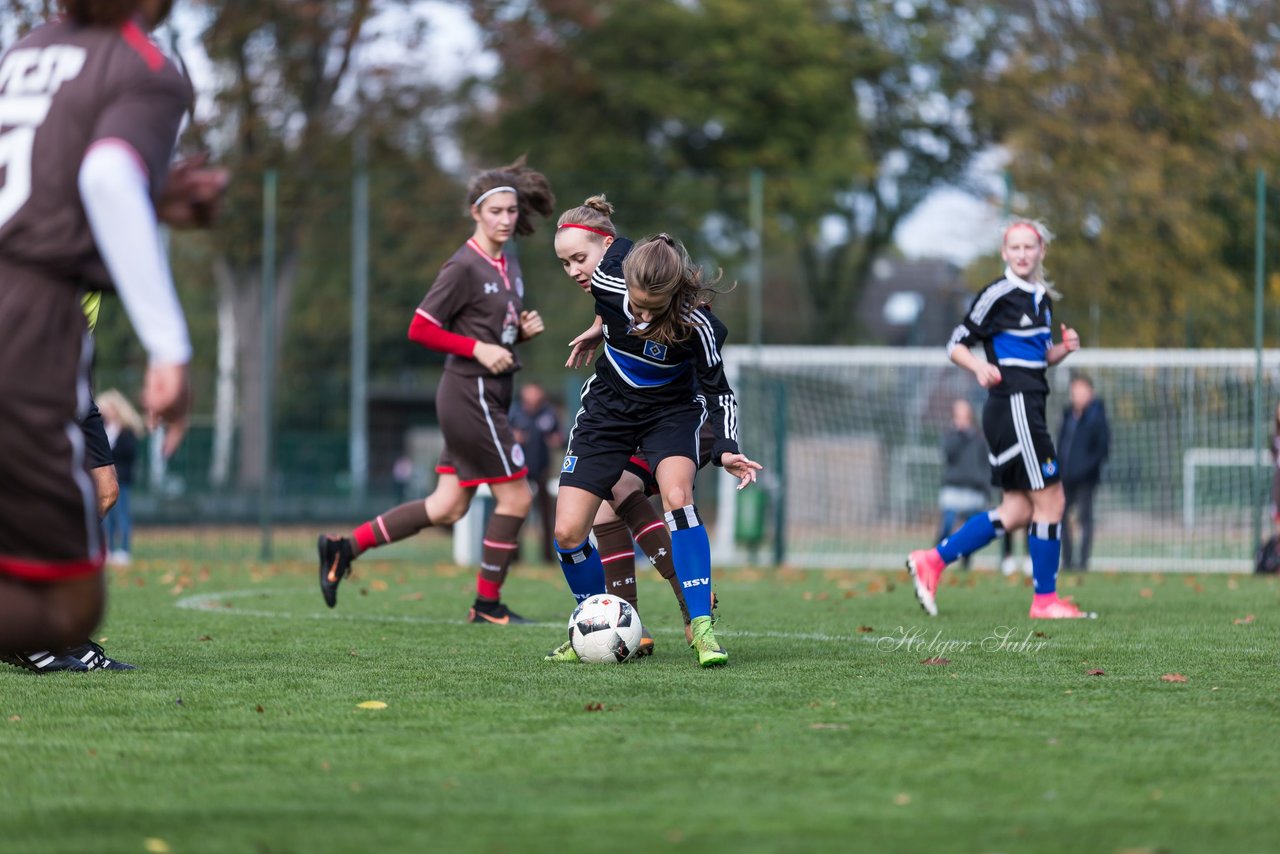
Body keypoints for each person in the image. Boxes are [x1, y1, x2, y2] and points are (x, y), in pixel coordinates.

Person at [0, 0, 207, 660]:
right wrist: (169, 347)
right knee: (68, 605)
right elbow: (107, 175)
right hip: (27, 319)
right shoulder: (144, 66)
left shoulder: (24, 53)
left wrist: (153, 198)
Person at [318, 158, 555, 625]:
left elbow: (489, 333)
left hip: (485, 395)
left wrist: (517, 336)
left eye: (512, 211)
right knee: (517, 499)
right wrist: (480, 350)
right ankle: (487, 606)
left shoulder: (507, 263)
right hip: (472, 396)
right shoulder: (463, 265)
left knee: (446, 506)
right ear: (475, 212)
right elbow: (421, 327)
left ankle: (343, 548)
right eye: (497, 212)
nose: (507, 219)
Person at [549, 229, 762, 667]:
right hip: (607, 409)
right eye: (636, 304)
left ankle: (701, 627)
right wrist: (598, 327)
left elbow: (718, 391)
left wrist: (725, 448)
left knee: (678, 498)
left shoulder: (699, 326)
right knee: (568, 532)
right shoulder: (609, 284)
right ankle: (588, 625)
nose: (641, 315)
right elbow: (608, 239)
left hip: (670, 412)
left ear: (673, 295)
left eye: (652, 307)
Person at [907, 219, 1095, 619]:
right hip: (1013, 407)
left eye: (1030, 247)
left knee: (1017, 512)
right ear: (1005, 253)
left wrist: (1064, 349)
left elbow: (1038, 358)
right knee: (1053, 499)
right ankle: (1045, 601)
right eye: (1015, 248)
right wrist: (977, 367)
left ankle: (933, 561)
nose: (1023, 254)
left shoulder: (1041, 298)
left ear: (1042, 250)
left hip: (1029, 405)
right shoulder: (997, 294)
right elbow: (955, 343)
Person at [1058, 373, 1109, 570]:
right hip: (1065, 477)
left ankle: (1083, 561)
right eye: (1074, 391)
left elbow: (1102, 449)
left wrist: (1084, 469)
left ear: (1090, 392)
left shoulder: (1097, 416)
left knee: (1084, 518)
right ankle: (1067, 560)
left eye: (1081, 390)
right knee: (1060, 516)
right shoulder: (1067, 415)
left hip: (1086, 478)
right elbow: (1061, 445)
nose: (1077, 395)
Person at [508, 382, 562, 564]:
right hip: (519, 471)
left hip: (542, 471)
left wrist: (556, 440)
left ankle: (548, 557)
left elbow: (559, 437)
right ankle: (514, 557)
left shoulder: (549, 413)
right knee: (516, 514)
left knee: (547, 517)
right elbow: (502, 438)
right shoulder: (514, 413)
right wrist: (512, 438)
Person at [937, 398, 989, 570]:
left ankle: (966, 564)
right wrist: (958, 434)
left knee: (970, 530)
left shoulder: (979, 437)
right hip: (953, 488)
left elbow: (984, 463)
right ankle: (936, 559)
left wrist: (985, 485)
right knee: (946, 526)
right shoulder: (951, 435)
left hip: (973, 489)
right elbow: (947, 453)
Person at [100, 389, 144, 566]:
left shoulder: (126, 430)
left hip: (122, 479)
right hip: (104, 480)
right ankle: (108, 550)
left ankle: (124, 550)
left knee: (122, 516)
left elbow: (129, 453)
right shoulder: (102, 429)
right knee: (106, 516)